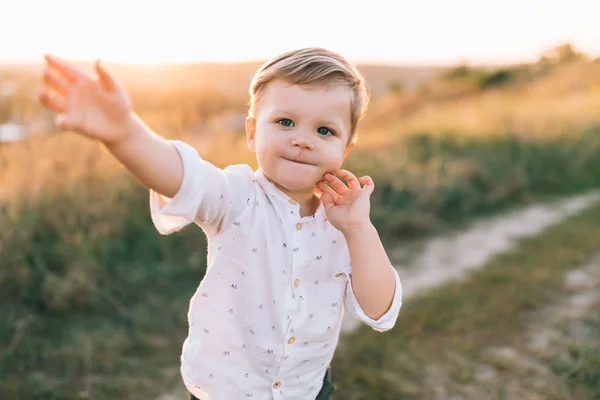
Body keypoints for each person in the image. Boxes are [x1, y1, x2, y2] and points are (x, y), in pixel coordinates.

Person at [37, 47, 403, 400]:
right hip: (224, 392)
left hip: (306, 392)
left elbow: (379, 310)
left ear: (346, 148)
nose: (302, 140)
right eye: (285, 122)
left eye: (325, 131)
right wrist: (125, 134)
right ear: (252, 132)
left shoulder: (344, 223)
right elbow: (181, 176)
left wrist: (359, 229)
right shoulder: (237, 196)